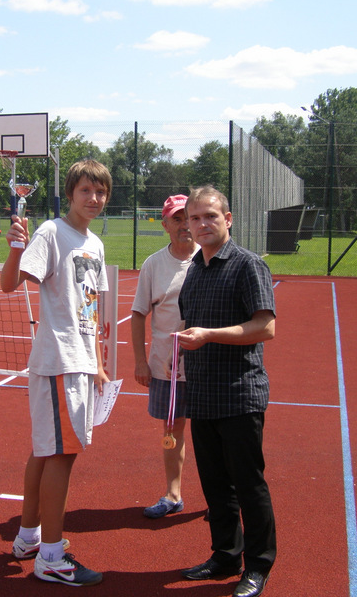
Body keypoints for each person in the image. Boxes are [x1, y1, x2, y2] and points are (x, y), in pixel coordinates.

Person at [1, 159, 111, 587]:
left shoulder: (95, 244)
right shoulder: (51, 232)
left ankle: (28, 537)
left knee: (46, 451)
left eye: (100, 192)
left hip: (82, 360)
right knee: (61, 454)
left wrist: (98, 364)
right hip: (59, 360)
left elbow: (92, 308)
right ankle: (51, 556)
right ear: (70, 194)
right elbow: (10, 283)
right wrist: (16, 247)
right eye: (85, 190)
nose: (94, 198)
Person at [176, 186, 276, 597]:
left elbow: (265, 327)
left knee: (248, 485)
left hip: (238, 394)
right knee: (216, 486)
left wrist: (209, 335)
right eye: (195, 218)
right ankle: (225, 556)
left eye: (210, 216)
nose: (202, 224)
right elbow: (192, 326)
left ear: (228, 219)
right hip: (202, 395)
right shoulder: (195, 269)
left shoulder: (248, 265)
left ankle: (258, 566)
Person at [131, 195, 199, 518]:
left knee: (216, 433)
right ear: (165, 224)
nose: (185, 225)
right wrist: (140, 361)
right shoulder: (153, 265)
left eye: (189, 218)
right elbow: (138, 314)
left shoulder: (210, 258)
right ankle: (173, 494)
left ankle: (223, 498)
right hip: (166, 367)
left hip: (208, 365)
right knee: (172, 431)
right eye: (177, 219)